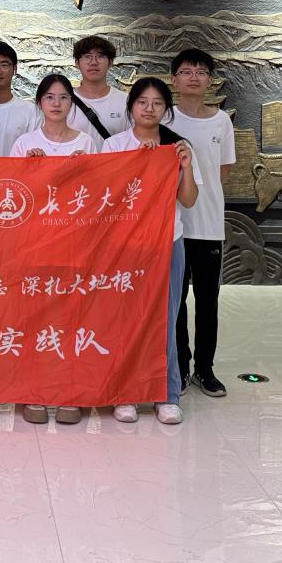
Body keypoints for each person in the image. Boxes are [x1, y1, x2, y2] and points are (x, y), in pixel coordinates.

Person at [100, 78, 200, 425]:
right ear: (131, 107)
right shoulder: (114, 145)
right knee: (124, 318)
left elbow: (188, 200)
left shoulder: (176, 146)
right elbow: (105, 197)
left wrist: (186, 166)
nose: (149, 109)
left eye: (157, 103)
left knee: (166, 318)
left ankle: (166, 394)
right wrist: (135, 164)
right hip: (125, 245)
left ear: (166, 110)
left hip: (168, 241)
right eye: (142, 102)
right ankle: (124, 393)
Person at [10, 73, 99, 425]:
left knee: (71, 319)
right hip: (34, 245)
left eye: (63, 97)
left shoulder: (87, 143)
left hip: (75, 244)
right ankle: (33, 392)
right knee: (34, 320)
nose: (57, 103)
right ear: (39, 103)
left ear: (71, 103)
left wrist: (84, 170)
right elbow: (12, 196)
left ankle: (69, 393)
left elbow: (98, 195)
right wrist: (28, 170)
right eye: (50, 97)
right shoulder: (24, 143)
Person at [168, 49, 236, 398]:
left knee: (208, 301)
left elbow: (221, 173)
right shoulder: (165, 118)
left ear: (210, 80)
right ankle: (179, 367)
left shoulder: (222, 121)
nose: (193, 77)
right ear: (173, 79)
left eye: (200, 71)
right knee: (176, 303)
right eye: (186, 71)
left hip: (209, 225)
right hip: (174, 227)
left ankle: (205, 370)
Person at [66, 35, 128, 144]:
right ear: (77, 63)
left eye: (100, 56)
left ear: (110, 62)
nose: (93, 62)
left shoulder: (126, 101)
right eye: (87, 56)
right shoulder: (65, 101)